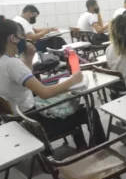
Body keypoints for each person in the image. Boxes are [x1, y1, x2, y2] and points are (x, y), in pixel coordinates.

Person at [0, 15, 106, 149]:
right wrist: (73, 79)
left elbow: (24, 82)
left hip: (20, 121)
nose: (25, 38)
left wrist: (28, 58)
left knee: (72, 107)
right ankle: (102, 150)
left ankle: (82, 147)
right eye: (21, 34)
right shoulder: (13, 64)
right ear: (13, 38)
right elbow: (44, 92)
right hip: (35, 123)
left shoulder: (4, 61)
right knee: (90, 112)